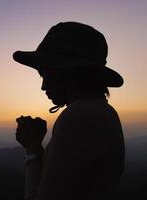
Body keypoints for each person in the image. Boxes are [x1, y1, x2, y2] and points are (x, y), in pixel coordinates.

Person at [13, 22, 125, 200]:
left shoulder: (80, 116)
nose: (43, 86)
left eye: (45, 74)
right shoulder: (102, 111)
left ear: (66, 71)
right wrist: (35, 146)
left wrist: (32, 150)